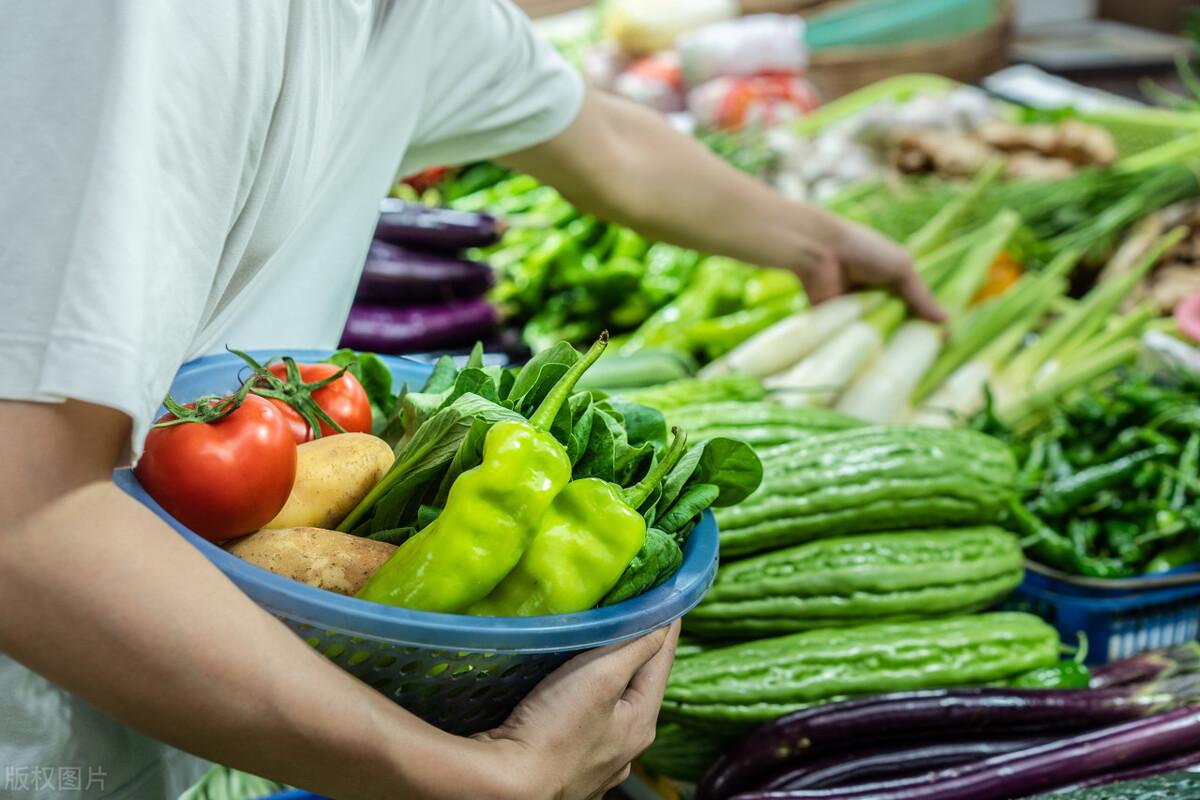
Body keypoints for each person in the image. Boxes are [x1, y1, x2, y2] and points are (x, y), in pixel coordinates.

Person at [0, 2, 941, 799]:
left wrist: (820, 242)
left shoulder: (411, 14)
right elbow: (20, 515)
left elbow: (603, 139)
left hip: (168, 702)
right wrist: (459, 776)